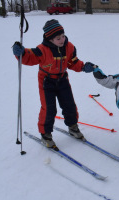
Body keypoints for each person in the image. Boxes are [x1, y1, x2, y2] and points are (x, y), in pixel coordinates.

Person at [12, 19, 95, 148]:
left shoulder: (69, 47)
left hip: (62, 79)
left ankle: (72, 127)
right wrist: (21, 53)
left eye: (63, 36)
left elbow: (72, 62)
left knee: (69, 105)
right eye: (58, 38)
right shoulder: (42, 49)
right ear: (50, 39)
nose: (62, 39)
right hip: (46, 81)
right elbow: (30, 56)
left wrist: (84, 67)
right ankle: (46, 134)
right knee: (49, 108)